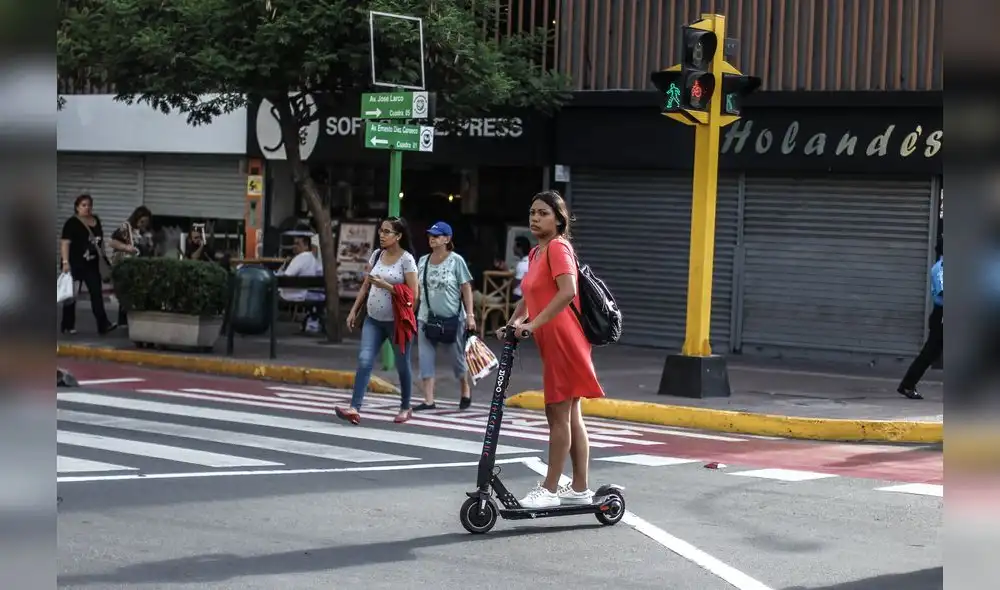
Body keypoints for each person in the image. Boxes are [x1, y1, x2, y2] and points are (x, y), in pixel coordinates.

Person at [498, 190, 605, 509]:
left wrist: (534, 323)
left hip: (565, 339)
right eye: (532, 212)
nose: (535, 218)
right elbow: (530, 295)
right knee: (570, 414)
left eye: (543, 213)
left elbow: (567, 291)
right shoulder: (536, 254)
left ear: (559, 219)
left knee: (558, 412)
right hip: (552, 339)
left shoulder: (559, 248)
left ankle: (549, 490)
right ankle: (581, 487)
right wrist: (514, 321)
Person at [337, 217, 419, 425]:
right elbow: (366, 286)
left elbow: (413, 295)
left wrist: (387, 286)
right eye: (381, 231)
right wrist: (354, 310)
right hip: (373, 319)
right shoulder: (376, 254)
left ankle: (405, 406)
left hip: (397, 322)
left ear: (398, 236)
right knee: (364, 360)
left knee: (402, 365)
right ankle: (354, 408)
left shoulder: (407, 260)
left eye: (387, 232)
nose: (381, 235)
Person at [412, 221, 477, 411]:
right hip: (426, 317)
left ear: (447, 239)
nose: (432, 239)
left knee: (457, 358)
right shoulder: (423, 261)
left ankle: (465, 389)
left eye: (437, 236)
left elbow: (466, 288)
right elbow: (417, 290)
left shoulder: (456, 261)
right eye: (431, 235)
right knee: (425, 358)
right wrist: (410, 312)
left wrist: (470, 315)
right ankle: (428, 400)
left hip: (452, 318)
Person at [59, 194, 117, 335]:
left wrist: (103, 257)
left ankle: (103, 324)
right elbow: (65, 243)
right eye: (83, 205)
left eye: (89, 205)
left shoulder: (96, 221)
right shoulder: (71, 223)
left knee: (96, 293)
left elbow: (99, 241)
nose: (87, 208)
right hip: (75, 263)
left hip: (91, 264)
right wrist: (65, 262)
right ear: (77, 207)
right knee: (71, 295)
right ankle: (67, 325)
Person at [898, 240, 943, 400]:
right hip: (942, 316)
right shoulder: (939, 269)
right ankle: (907, 385)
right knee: (929, 353)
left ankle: (907, 385)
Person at [109, 206, 153, 327]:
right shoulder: (126, 228)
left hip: (139, 265)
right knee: (125, 292)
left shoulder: (145, 232)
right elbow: (112, 242)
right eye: (141, 221)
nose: (143, 224)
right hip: (125, 264)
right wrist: (127, 248)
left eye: (146, 222)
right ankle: (123, 320)